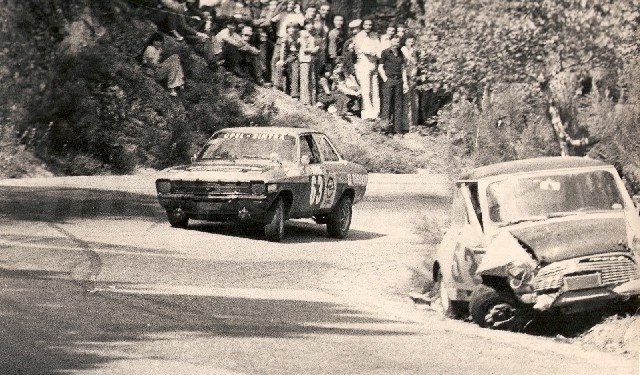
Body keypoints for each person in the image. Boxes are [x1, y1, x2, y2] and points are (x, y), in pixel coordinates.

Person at [378, 34, 409, 134]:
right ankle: (385, 129)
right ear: (390, 41)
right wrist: (385, 79)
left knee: (398, 105)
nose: (396, 44)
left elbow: (403, 68)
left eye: (398, 42)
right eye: (394, 42)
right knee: (387, 104)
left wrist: (405, 83)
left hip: (399, 81)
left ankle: (397, 130)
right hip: (389, 80)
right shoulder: (385, 52)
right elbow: (380, 67)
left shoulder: (401, 53)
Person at [270, 0, 304, 87]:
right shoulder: (282, 13)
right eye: (289, 3)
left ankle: (287, 85)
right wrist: (280, 5)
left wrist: (299, 12)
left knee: (290, 63)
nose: (290, 5)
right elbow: (272, 20)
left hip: (293, 40)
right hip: (281, 37)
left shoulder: (297, 15)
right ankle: (275, 82)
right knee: (276, 59)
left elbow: (302, 23)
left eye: (292, 4)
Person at [353, 18, 380, 120]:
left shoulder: (374, 36)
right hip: (364, 64)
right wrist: (373, 52)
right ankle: (367, 113)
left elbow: (379, 49)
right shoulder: (359, 36)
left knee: (375, 90)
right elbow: (362, 49)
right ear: (362, 25)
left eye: (370, 25)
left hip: (373, 64)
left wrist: (375, 52)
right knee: (366, 89)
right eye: (366, 25)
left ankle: (376, 112)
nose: (368, 27)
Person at [299, 19, 320, 105]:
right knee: (305, 80)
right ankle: (305, 100)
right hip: (304, 59)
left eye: (311, 25)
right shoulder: (302, 36)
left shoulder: (313, 37)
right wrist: (314, 49)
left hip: (312, 60)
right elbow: (305, 49)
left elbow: (318, 47)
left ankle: (313, 100)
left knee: (312, 79)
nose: (310, 27)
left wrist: (316, 48)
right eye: (308, 25)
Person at [277, 22, 301, 97]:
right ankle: (278, 86)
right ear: (287, 29)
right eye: (289, 28)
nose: (291, 30)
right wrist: (282, 59)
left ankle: (294, 92)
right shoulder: (285, 37)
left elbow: (299, 50)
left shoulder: (298, 37)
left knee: (295, 72)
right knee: (280, 66)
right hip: (288, 57)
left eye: (293, 28)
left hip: (296, 57)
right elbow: (282, 50)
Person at [401, 34, 419, 129]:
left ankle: (413, 123)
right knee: (407, 101)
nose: (411, 44)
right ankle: (406, 124)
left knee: (414, 101)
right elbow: (409, 61)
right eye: (409, 42)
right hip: (406, 77)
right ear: (405, 42)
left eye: (412, 42)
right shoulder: (404, 50)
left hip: (413, 77)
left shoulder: (414, 51)